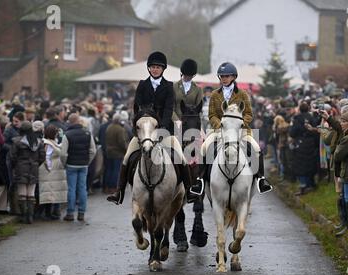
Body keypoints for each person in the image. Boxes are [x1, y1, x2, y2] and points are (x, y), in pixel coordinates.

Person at [107, 51, 197, 205]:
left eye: (158, 67)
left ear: (163, 69)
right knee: (127, 157)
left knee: (181, 156)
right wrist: (140, 123)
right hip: (144, 131)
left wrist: (160, 125)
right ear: (149, 68)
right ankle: (119, 191)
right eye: (153, 67)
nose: (155, 69)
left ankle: (188, 190)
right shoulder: (142, 84)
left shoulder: (169, 86)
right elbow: (136, 106)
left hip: (163, 130)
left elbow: (169, 108)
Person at [190, 62, 273, 195]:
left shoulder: (242, 94)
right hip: (219, 131)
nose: (224, 78)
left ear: (233, 77)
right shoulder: (215, 95)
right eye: (222, 76)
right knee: (205, 147)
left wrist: (237, 125)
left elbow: (249, 114)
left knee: (256, 149)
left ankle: (261, 180)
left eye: (227, 76)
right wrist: (221, 125)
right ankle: (199, 180)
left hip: (241, 131)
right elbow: (212, 115)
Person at [60, 114, 97, 222]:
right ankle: (81, 213)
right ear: (79, 121)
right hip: (83, 165)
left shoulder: (67, 135)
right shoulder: (87, 133)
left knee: (71, 189)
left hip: (71, 164)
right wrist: (87, 161)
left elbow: (63, 153)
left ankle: (70, 213)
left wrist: (65, 163)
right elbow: (93, 151)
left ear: (70, 122)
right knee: (82, 189)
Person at [9, 121, 46, 224]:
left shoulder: (17, 142)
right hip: (34, 168)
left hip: (21, 168)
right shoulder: (38, 142)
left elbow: (12, 157)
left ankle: (24, 216)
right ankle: (30, 216)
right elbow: (42, 157)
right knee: (31, 193)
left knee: (22, 193)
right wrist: (35, 164)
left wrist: (16, 165)